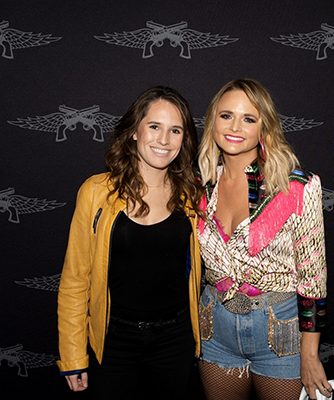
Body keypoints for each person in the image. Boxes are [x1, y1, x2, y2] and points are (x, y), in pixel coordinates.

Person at [56, 86, 203, 399]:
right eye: (154, 126)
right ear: (135, 131)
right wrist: (72, 355)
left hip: (174, 341)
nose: (164, 140)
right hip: (114, 342)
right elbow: (74, 281)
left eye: (175, 130)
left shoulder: (193, 196)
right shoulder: (95, 192)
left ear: (184, 138)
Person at [196, 79, 331, 400]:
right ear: (213, 120)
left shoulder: (295, 186)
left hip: (278, 333)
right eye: (226, 115)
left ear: (264, 128)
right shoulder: (200, 183)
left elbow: (313, 281)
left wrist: (310, 356)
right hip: (214, 327)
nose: (235, 127)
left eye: (249, 118)